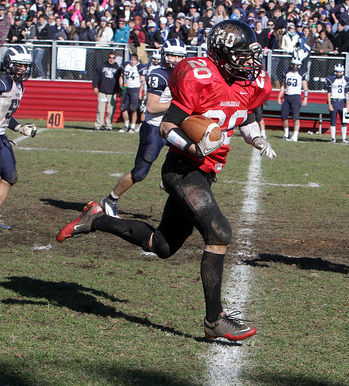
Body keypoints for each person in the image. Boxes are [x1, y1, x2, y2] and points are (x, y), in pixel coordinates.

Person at [57, 20, 277, 342]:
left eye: (250, 56)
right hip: (182, 169)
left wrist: (256, 138)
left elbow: (243, 117)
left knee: (162, 245)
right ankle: (214, 320)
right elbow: (167, 127)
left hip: (205, 172)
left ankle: (97, 219)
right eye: (241, 56)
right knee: (219, 231)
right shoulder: (199, 75)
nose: (249, 63)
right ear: (221, 54)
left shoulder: (248, 83)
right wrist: (193, 146)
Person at [101, 39, 186, 218]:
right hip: (154, 129)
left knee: (188, 159)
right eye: (172, 55)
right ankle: (111, 199)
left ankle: (169, 185)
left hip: (172, 127)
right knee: (139, 173)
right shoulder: (159, 74)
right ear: (164, 55)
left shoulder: (183, 75)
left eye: (179, 56)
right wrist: (179, 104)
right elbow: (152, 107)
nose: (176, 59)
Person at [0, 46, 37, 230]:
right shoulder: (3, 81)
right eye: (18, 65)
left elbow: (5, 114)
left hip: (1, 137)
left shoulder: (18, 85)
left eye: (25, 66)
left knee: (10, 176)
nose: (22, 69)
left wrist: (20, 128)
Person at [277, 58, 308, 142]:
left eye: (297, 65)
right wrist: (279, 96)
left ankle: (295, 135)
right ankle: (286, 133)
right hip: (287, 96)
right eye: (293, 65)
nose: (295, 67)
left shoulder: (302, 74)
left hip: (296, 96)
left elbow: (305, 88)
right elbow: (283, 86)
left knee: (295, 117)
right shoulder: (286, 73)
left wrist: (305, 98)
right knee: (284, 116)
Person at [92, 52, 121, 131]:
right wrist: (95, 86)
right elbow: (96, 77)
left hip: (112, 92)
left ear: (115, 59)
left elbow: (120, 80)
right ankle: (98, 124)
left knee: (110, 111)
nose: (111, 59)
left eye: (113, 58)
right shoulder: (102, 66)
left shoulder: (118, 68)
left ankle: (108, 125)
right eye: (110, 57)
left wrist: (119, 90)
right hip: (102, 91)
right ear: (107, 58)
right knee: (100, 110)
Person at [119, 53, 145, 133]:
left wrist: (141, 92)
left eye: (134, 60)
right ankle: (126, 125)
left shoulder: (139, 67)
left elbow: (143, 81)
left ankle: (133, 126)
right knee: (123, 108)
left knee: (134, 109)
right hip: (126, 88)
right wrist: (121, 85)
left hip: (135, 89)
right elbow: (121, 76)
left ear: (137, 61)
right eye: (131, 60)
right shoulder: (125, 65)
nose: (132, 62)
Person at [326, 63, 349, 143]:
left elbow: (346, 93)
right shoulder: (331, 79)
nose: (338, 73)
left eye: (340, 72)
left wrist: (348, 105)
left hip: (342, 101)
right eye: (337, 72)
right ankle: (333, 138)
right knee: (333, 121)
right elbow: (329, 93)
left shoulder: (346, 79)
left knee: (344, 121)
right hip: (334, 101)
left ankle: (344, 138)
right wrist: (329, 104)